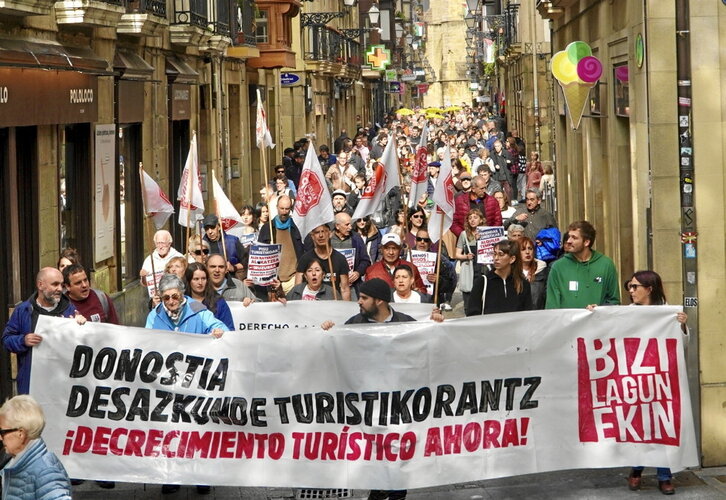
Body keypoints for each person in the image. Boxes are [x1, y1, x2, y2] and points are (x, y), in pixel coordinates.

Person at [320, 278, 443, 500]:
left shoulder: (406, 323)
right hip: (368, 404)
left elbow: (429, 346)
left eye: (364, 298)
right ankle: (378, 489)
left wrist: (437, 324)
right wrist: (329, 332)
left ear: (379, 301)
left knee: (396, 449)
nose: (359, 302)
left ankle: (396, 492)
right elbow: (335, 351)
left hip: (399, 403)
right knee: (374, 450)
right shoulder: (355, 324)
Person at [588, 270, 687, 496]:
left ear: (649, 289)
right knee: (638, 425)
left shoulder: (667, 313)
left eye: (635, 287)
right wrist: (595, 314)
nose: (631, 291)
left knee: (661, 425)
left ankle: (664, 475)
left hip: (660, 379)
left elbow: (681, 347)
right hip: (634, 378)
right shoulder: (627, 313)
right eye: (629, 287)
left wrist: (680, 326)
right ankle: (637, 469)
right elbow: (607, 327)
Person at [144, 274, 227, 495]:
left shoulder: (198, 309)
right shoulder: (155, 315)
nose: (171, 301)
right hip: (168, 385)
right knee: (171, 431)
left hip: (197, 383)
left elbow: (221, 327)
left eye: (175, 296)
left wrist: (218, 332)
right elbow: (145, 343)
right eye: (166, 298)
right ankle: (172, 476)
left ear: (182, 295)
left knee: (198, 429)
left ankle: (201, 476)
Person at [2, 268, 82, 394]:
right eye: (55, 284)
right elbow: (6, 340)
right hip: (32, 384)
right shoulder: (23, 310)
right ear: (40, 285)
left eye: (61, 285)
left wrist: (81, 325)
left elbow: (82, 344)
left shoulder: (70, 310)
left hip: (63, 385)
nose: (60, 289)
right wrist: (23, 340)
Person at [0, 395, 72, 499]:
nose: (0, 438)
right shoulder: (17, 462)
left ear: (21, 434)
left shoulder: (45, 471)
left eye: (2, 432)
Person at [546, 220, 620, 309]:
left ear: (586, 242)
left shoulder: (606, 264)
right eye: (569, 237)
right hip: (568, 322)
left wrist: (600, 309)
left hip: (597, 321)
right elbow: (552, 304)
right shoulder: (558, 267)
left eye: (574, 238)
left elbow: (614, 301)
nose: (568, 241)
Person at [258, 195, 305, 293]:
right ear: (277, 207)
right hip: (274, 281)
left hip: (293, 280)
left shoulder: (296, 227)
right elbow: (260, 255)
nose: (284, 212)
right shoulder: (267, 228)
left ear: (291, 209)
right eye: (282, 208)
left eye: (287, 209)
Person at [295, 223, 351, 301]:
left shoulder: (340, 259)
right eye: (317, 232)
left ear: (330, 234)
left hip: (333, 303)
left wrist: (346, 311)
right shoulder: (305, 259)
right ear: (312, 236)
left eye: (324, 231)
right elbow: (297, 288)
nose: (321, 235)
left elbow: (345, 289)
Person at [480, 240, 532, 314]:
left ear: (512, 259)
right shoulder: (483, 282)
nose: (496, 258)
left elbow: (527, 313)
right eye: (494, 254)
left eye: (501, 254)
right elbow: (473, 314)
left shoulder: (523, 284)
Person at [414, 228, 456, 308]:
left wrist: (438, 280)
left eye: (426, 240)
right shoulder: (406, 258)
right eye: (419, 239)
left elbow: (451, 284)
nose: (422, 242)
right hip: (411, 302)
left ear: (430, 243)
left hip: (432, 303)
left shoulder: (439, 259)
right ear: (415, 241)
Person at [184, 262, 235, 330]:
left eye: (203, 278)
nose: (200, 283)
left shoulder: (218, 302)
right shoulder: (182, 301)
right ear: (189, 280)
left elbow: (229, 329)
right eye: (196, 279)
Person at [455, 209, 486, 316]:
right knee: (468, 298)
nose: (472, 220)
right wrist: (466, 256)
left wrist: (479, 241)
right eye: (470, 218)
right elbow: (457, 254)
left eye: (475, 217)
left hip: (482, 269)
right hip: (469, 269)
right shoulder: (464, 235)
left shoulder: (486, 233)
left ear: (481, 220)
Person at [331, 212, 371, 294]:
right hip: (332, 285)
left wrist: (358, 272)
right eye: (347, 224)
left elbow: (365, 260)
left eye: (350, 224)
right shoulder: (329, 239)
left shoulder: (356, 238)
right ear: (337, 226)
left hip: (352, 286)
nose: (350, 227)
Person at [520, 236, 549, 310]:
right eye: (523, 249)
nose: (527, 252)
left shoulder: (542, 270)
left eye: (530, 248)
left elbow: (546, 296)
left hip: (538, 315)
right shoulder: (511, 273)